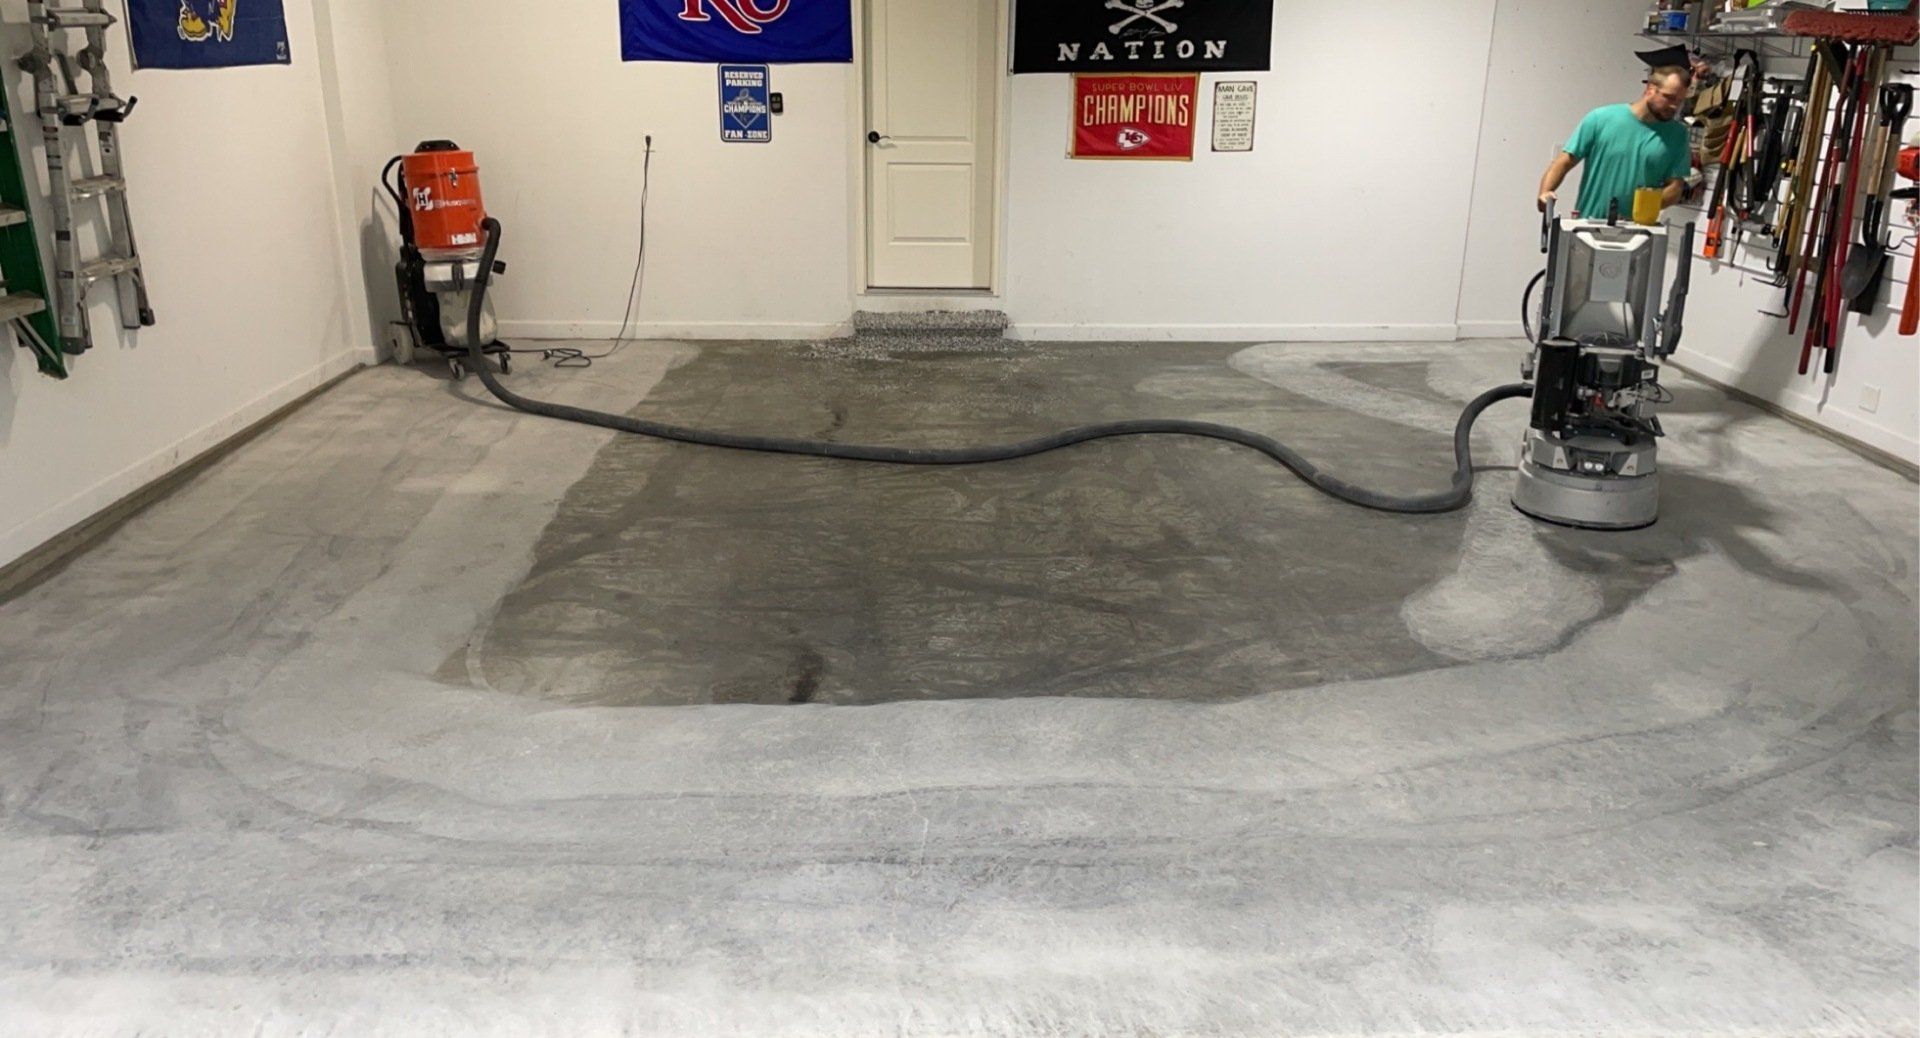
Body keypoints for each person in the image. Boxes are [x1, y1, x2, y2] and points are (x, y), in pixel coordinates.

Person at [1538, 64, 1695, 219]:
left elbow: (1675, 187)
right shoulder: (1600, 119)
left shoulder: (1678, 135)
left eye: (1680, 101)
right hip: (1588, 226)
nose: (1675, 106)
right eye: (1669, 97)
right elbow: (1563, 161)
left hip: (1638, 233)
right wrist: (1545, 192)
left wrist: (1642, 210)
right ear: (1650, 89)